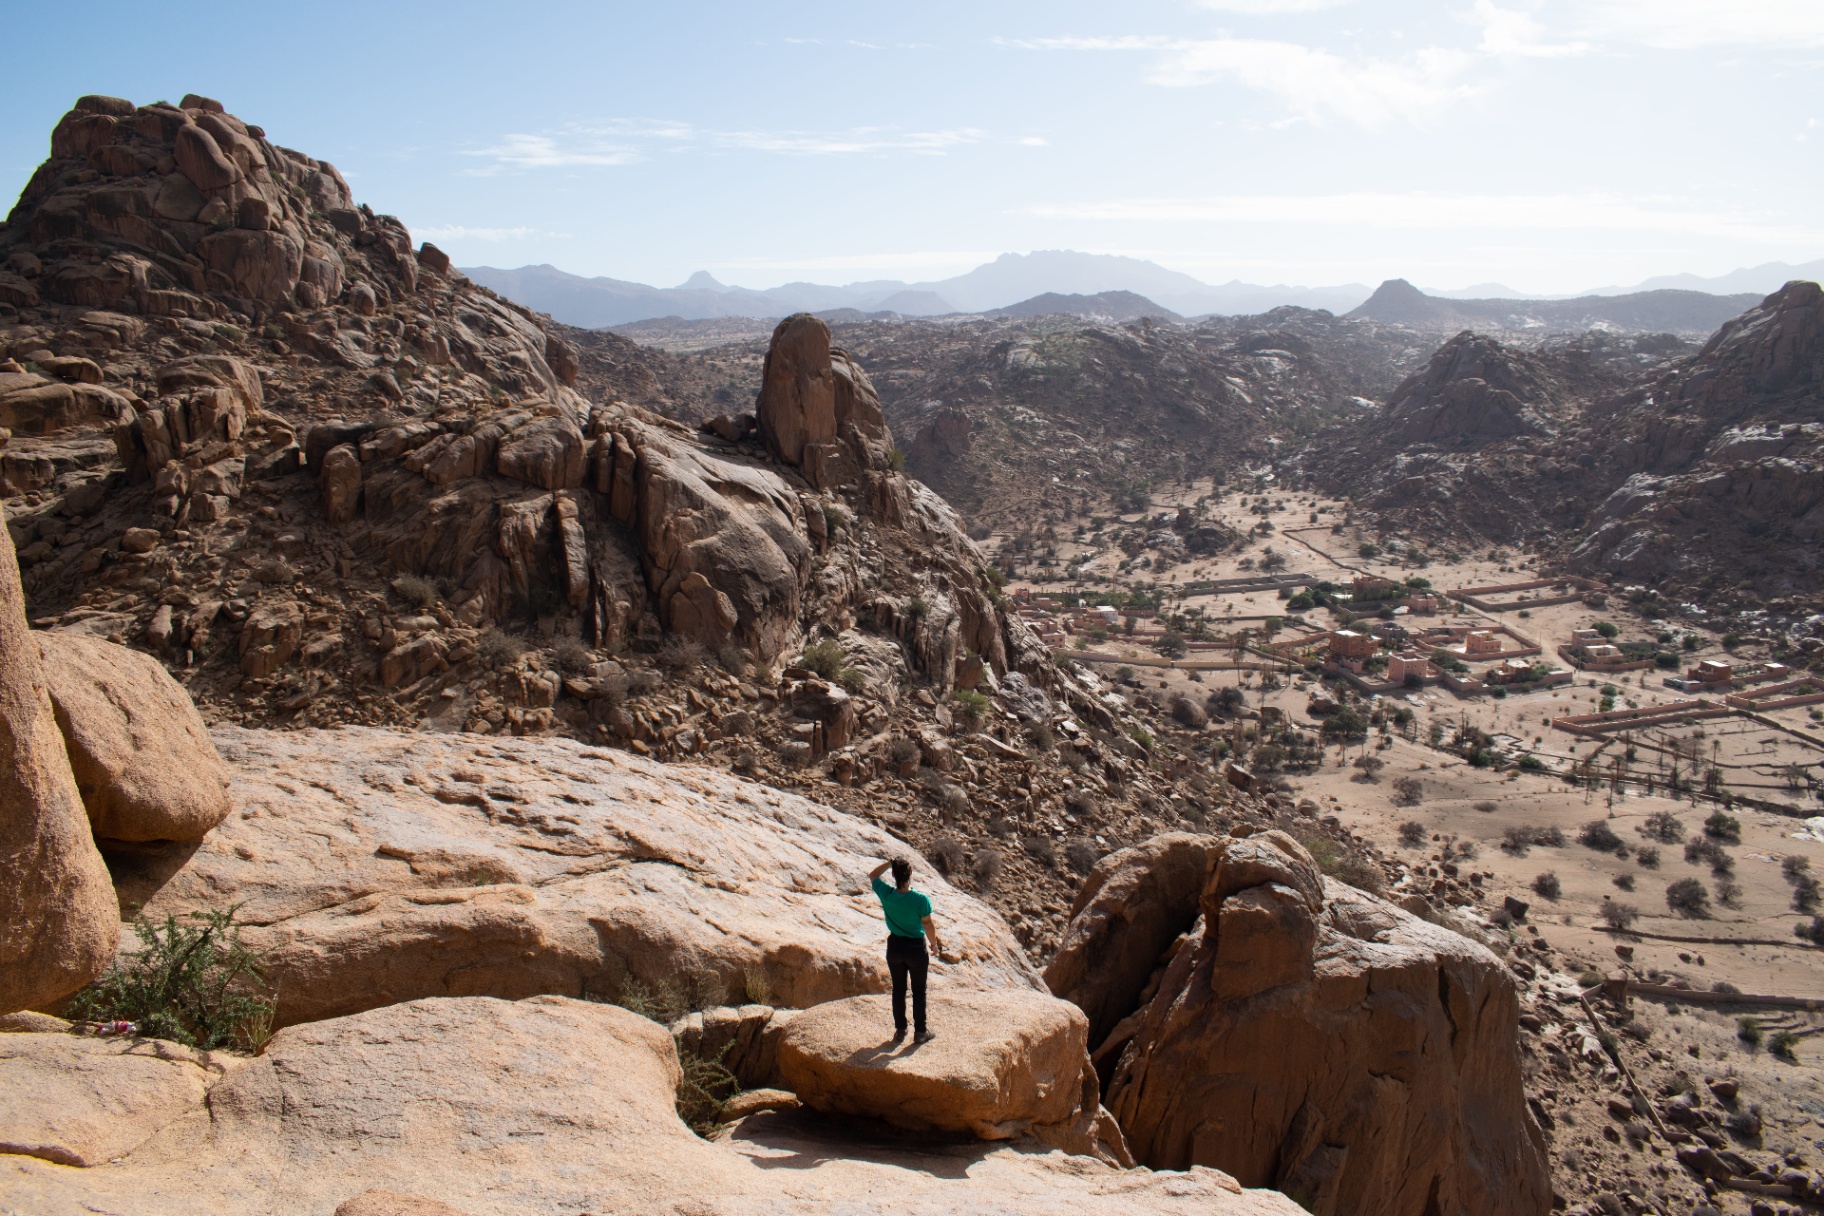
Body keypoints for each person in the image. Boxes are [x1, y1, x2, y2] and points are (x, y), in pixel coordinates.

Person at [868, 855, 948, 1044]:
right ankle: (920, 1032)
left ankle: (900, 1029)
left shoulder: (886, 894)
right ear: (911, 873)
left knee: (898, 989)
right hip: (915, 948)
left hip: (895, 946)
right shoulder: (920, 900)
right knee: (919, 991)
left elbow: (872, 875)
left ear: (894, 875)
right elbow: (928, 925)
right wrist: (934, 945)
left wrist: (889, 863)